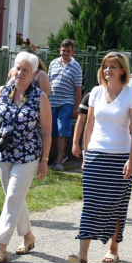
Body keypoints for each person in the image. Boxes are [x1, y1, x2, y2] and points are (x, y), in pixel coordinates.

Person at [67, 52, 132, 263]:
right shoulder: (96, 93)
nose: (108, 70)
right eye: (105, 66)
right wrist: (86, 153)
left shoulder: (131, 95)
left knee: (115, 204)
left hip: (120, 156)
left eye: (113, 66)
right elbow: (89, 125)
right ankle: (82, 255)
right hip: (96, 155)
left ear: (123, 71)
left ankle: (113, 248)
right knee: (89, 204)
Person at [0, 52, 52, 263]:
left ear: (33, 74)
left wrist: (44, 160)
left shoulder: (40, 98)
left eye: (25, 70)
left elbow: (47, 132)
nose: (19, 73)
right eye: (17, 68)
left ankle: (1, 246)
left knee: (13, 198)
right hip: (3, 154)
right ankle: (28, 237)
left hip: (28, 156)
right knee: (14, 198)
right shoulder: (1, 92)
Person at [48, 39, 83, 171]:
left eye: (68, 51)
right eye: (63, 50)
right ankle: (57, 155)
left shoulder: (76, 67)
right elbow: (49, 82)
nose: (65, 53)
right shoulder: (53, 63)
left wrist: (76, 107)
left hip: (66, 103)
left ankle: (59, 161)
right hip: (52, 102)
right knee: (52, 130)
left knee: (63, 129)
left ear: (72, 52)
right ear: (60, 51)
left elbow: (78, 89)